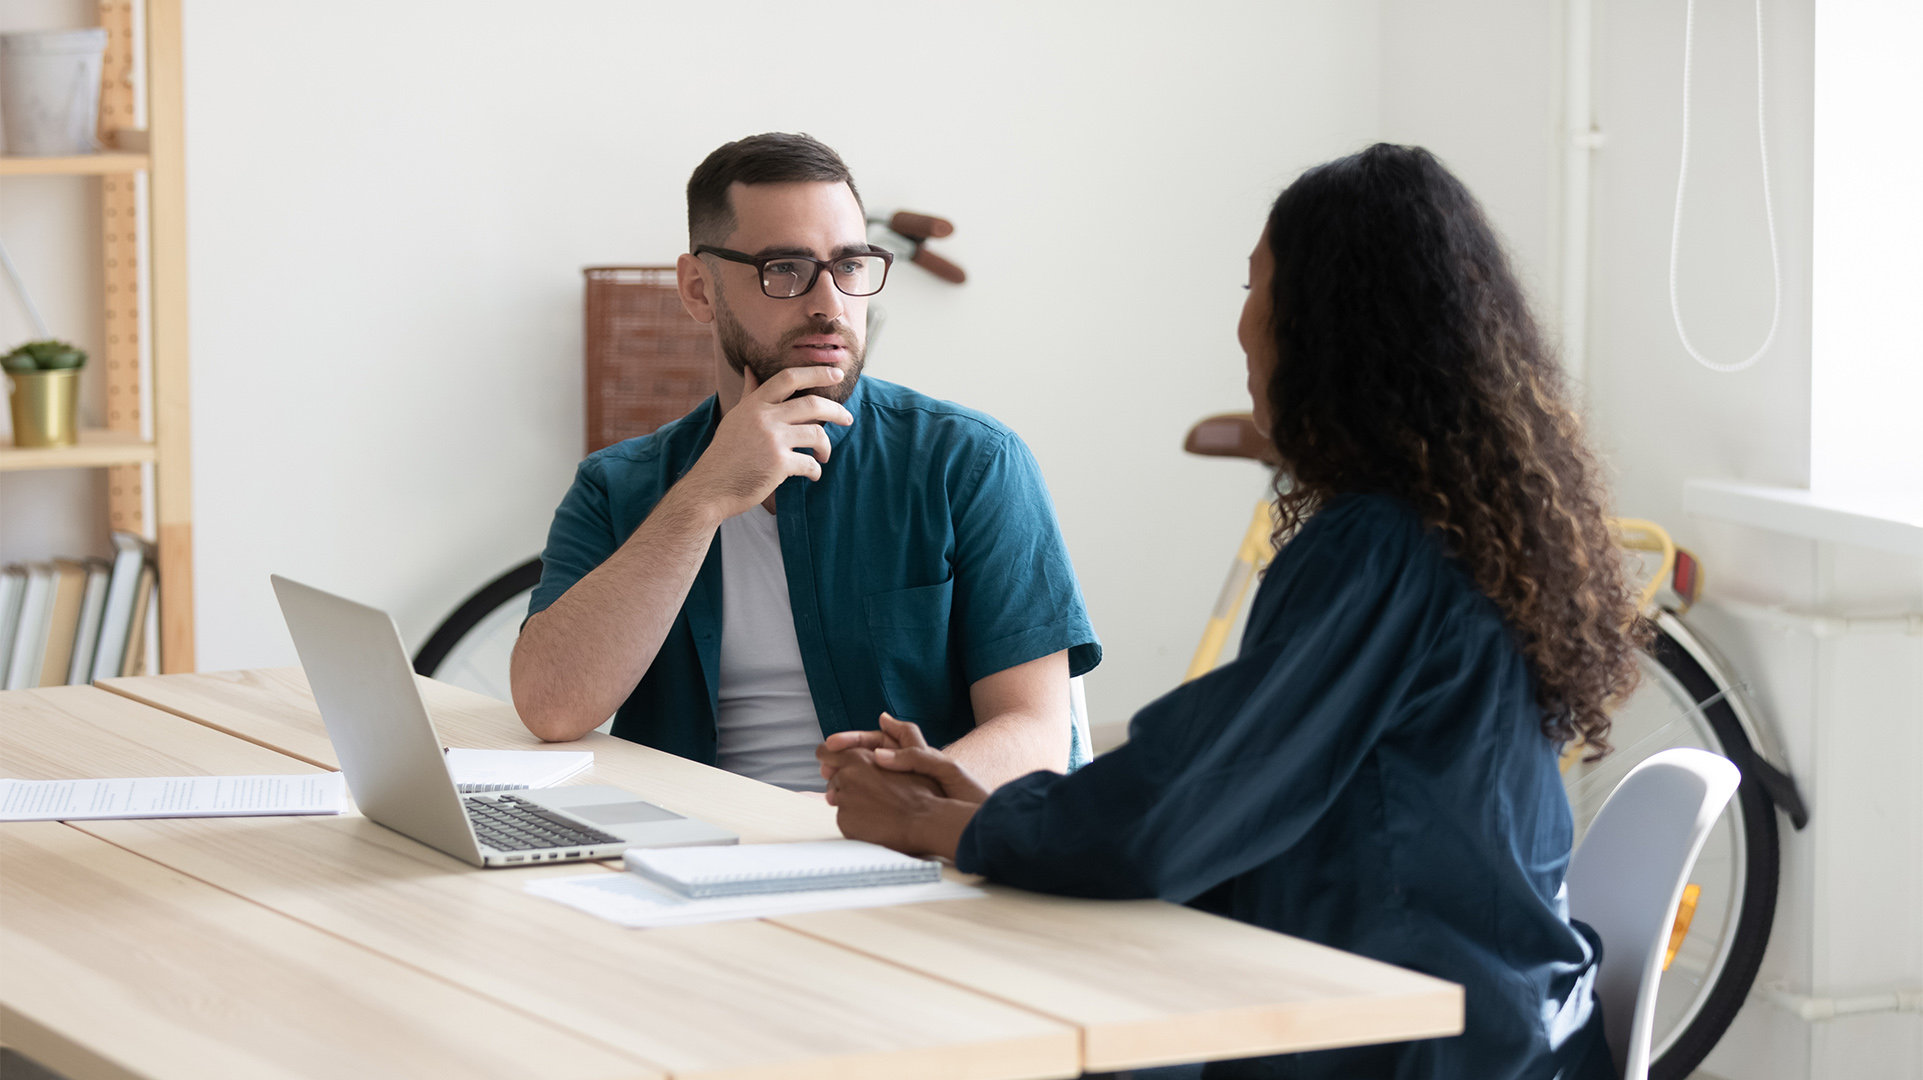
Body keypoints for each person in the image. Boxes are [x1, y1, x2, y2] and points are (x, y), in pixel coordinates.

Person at [825, 144, 1643, 1079]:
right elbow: (1241, 787)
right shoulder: (1452, 522)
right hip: (1490, 1007)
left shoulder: (1380, 546)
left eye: (1258, 288)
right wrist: (1005, 809)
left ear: (1329, 328)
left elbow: (1191, 804)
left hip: (1419, 1037)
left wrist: (948, 828)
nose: (1243, 326)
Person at [510, 132, 1100, 794]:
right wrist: (702, 498)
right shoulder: (618, 486)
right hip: (680, 853)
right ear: (699, 290)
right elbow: (550, 707)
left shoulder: (969, 462)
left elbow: (1036, 737)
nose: (829, 305)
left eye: (849, 266)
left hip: (896, 852)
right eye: (784, 270)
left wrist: (888, 804)